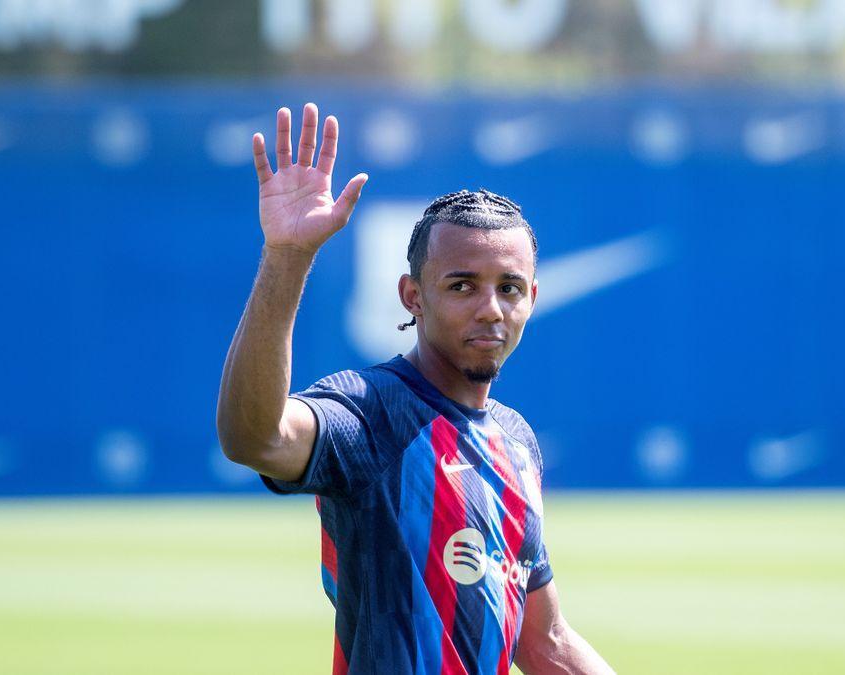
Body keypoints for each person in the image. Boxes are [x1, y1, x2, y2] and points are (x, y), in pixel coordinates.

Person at [216, 103, 614, 675]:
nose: (490, 309)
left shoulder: (516, 440)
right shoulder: (369, 410)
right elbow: (256, 438)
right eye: (462, 286)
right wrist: (288, 257)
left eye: (509, 287)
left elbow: (544, 641)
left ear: (533, 298)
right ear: (412, 296)